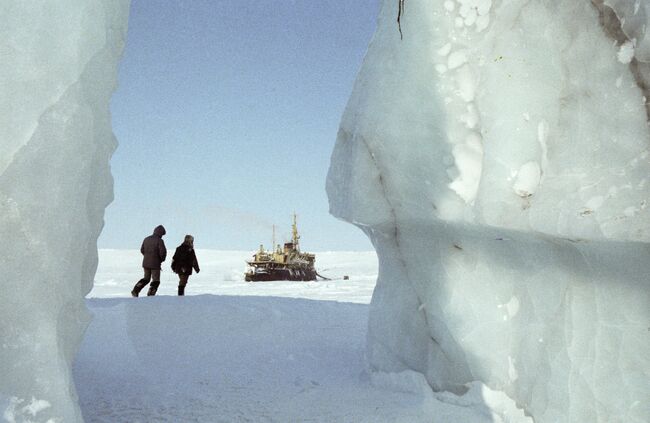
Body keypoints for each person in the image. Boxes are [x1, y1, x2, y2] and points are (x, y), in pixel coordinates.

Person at [131, 225, 167, 297]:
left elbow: (142, 250)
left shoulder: (146, 239)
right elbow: (163, 252)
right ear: (161, 233)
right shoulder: (160, 241)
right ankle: (151, 293)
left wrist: (147, 256)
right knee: (156, 280)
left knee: (146, 278)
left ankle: (136, 289)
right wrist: (161, 259)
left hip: (146, 263)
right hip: (155, 264)